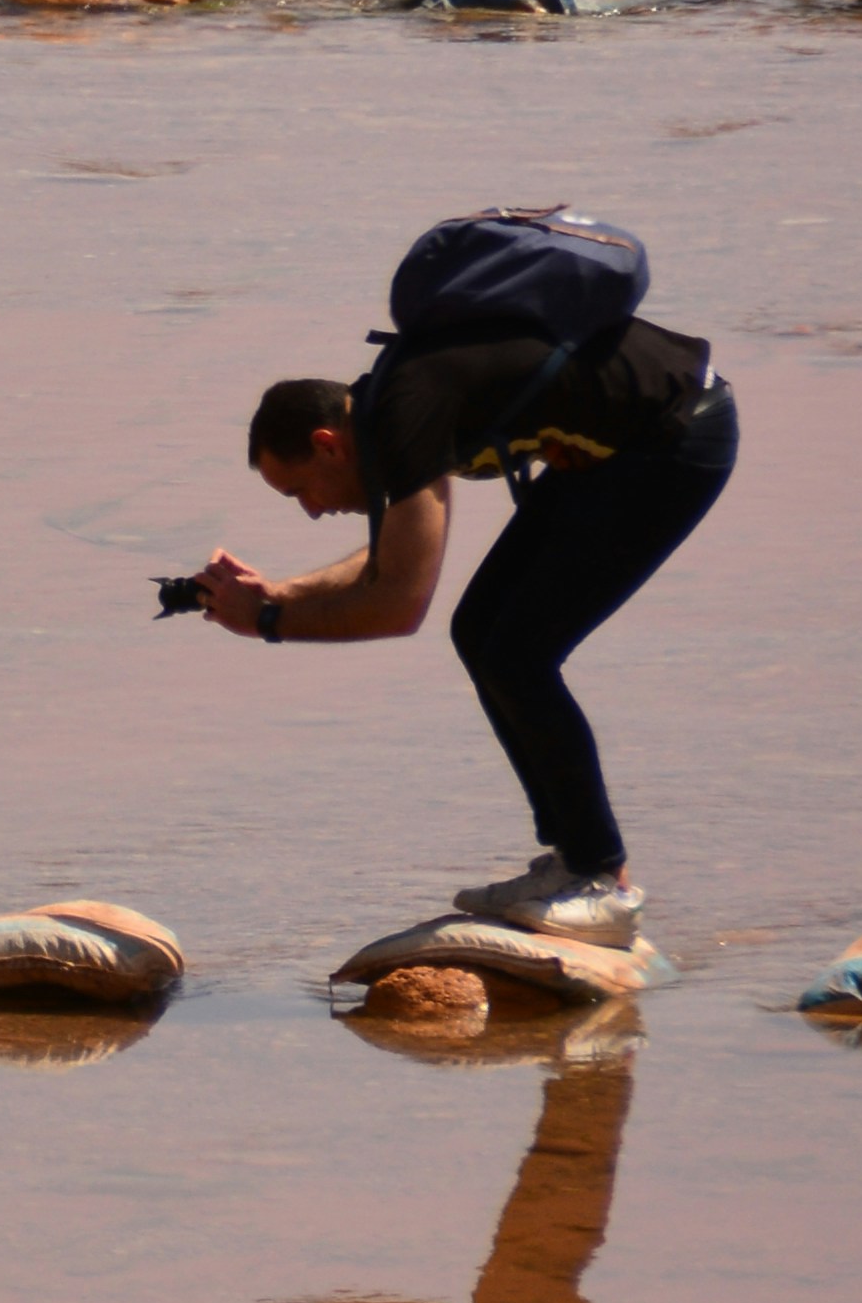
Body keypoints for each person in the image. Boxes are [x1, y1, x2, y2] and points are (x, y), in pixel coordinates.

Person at [191, 306, 734, 946]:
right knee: (480, 632)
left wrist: (270, 622)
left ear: (325, 445)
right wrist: (278, 592)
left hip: (675, 436)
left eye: (299, 491)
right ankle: (573, 861)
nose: (311, 511)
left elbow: (399, 604)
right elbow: (392, 561)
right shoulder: (391, 407)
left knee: (518, 654)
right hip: (623, 443)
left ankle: (601, 881)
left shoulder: (402, 417)